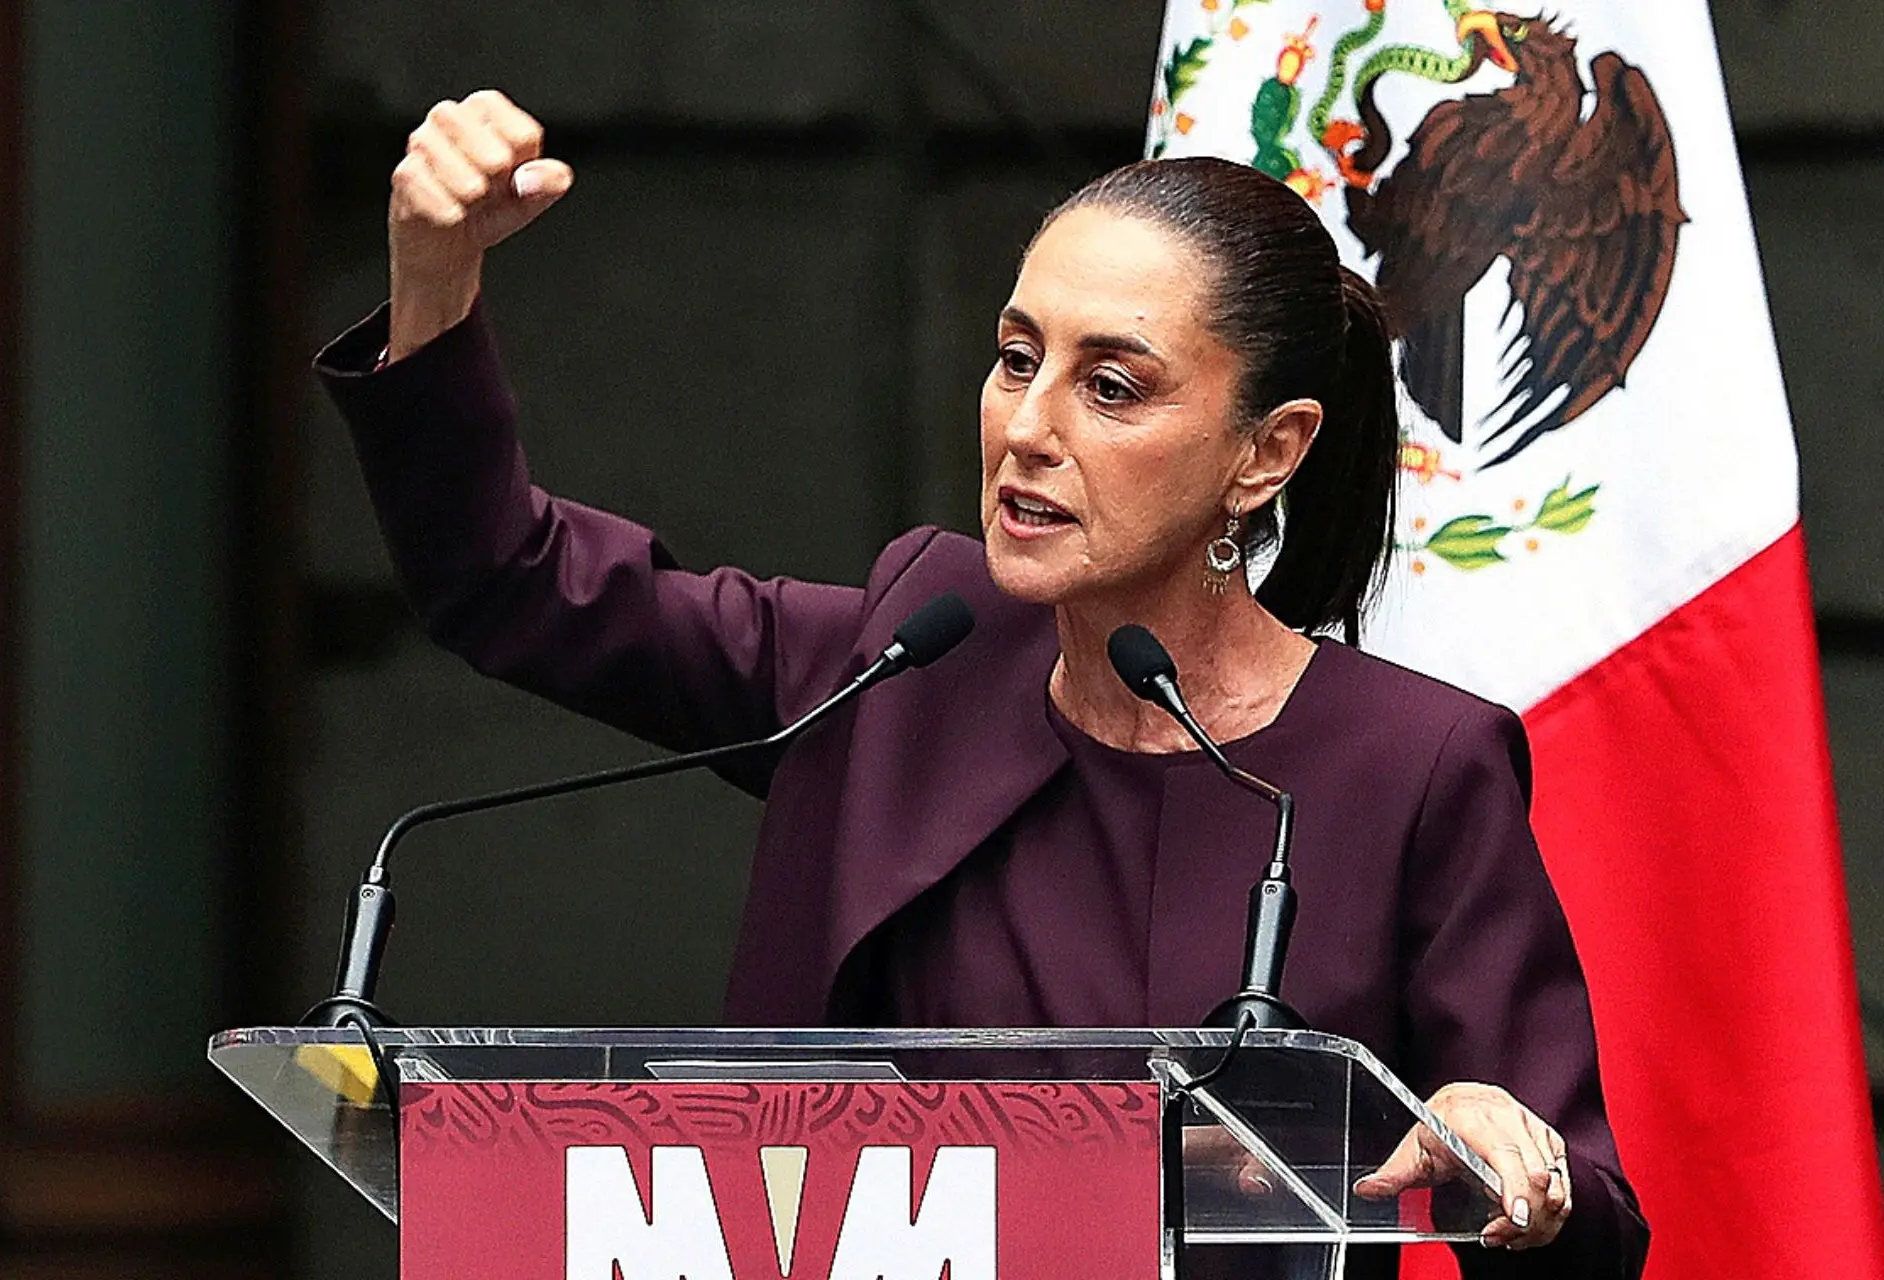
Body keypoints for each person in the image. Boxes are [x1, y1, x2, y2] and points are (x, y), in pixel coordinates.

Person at [317, 90, 1647, 1277]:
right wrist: (434, 276)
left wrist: (1505, 1164)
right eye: (1017, 359)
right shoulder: (912, 653)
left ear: (1265, 453)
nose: (1027, 427)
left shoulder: (1412, 765)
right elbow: (510, 582)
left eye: (1110, 386)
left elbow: (1586, 1218)